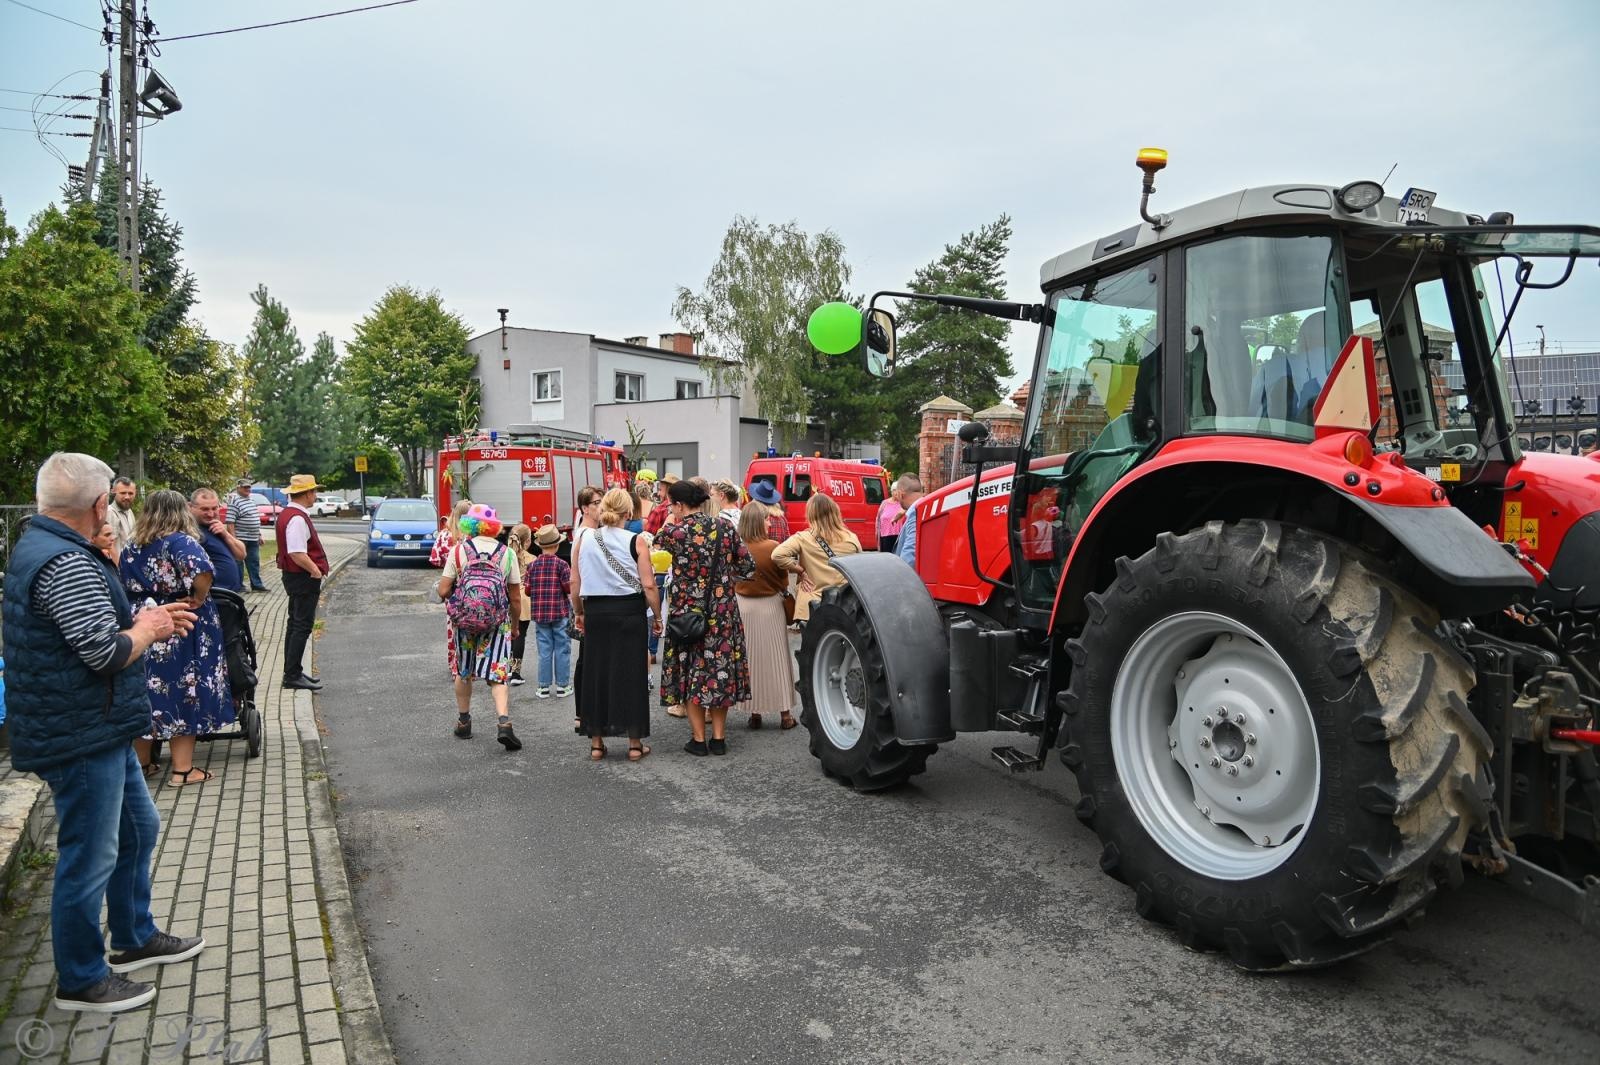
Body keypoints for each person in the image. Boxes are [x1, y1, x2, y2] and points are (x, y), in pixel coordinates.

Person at [2, 453, 204, 1013]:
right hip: (81, 731)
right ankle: (82, 979)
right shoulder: (65, 562)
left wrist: (141, 618)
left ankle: (135, 936)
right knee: (89, 856)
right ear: (98, 504)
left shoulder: (49, 546)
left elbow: (88, 630)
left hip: (98, 724)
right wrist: (149, 628)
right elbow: (103, 651)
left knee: (138, 828)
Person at [120, 489, 236, 785]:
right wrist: (198, 597)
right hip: (180, 619)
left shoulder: (132, 544)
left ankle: (143, 764)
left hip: (143, 620)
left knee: (148, 690)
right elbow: (202, 572)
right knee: (186, 689)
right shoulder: (181, 541)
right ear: (181, 511)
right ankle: (183, 770)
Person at [655, 479, 754, 756]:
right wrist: (724, 578)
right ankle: (719, 738)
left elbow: (655, 550)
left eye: (671, 505)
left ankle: (698, 740)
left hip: (687, 613)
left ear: (679, 505)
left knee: (691, 674)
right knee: (719, 672)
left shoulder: (673, 532)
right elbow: (748, 567)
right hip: (722, 612)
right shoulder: (725, 527)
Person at [571, 487, 662, 761]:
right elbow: (649, 584)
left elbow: (575, 581)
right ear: (628, 512)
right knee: (631, 675)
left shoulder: (585, 539)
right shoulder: (636, 541)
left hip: (596, 611)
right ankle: (634, 743)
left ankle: (597, 743)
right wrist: (657, 616)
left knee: (596, 674)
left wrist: (579, 612)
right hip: (629, 611)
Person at [436, 504, 524, 750]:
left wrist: (461, 598)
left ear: (468, 525)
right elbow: (515, 598)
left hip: (464, 623)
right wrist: (514, 626)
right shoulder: (507, 554)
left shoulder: (458, 552)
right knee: (498, 673)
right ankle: (504, 722)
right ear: (494, 526)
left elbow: (443, 590)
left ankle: (464, 722)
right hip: (497, 623)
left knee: (464, 671)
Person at [729, 502, 797, 730]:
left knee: (750, 661)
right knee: (777, 659)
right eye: (766, 519)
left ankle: (755, 712)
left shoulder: (737, 548)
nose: (769, 522)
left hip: (743, 607)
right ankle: (785, 714)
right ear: (759, 522)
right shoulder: (773, 547)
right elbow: (783, 580)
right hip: (770, 607)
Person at [772, 493, 862, 623]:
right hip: (842, 605)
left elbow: (777, 555)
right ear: (835, 512)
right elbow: (858, 568)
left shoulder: (803, 538)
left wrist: (800, 571)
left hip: (811, 605)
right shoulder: (851, 538)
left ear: (810, 514)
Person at [276, 474, 328, 691]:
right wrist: (315, 571)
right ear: (307, 494)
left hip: (294, 575)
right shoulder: (297, 518)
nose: (315, 496)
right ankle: (292, 674)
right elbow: (297, 552)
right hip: (302, 577)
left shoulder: (288, 514)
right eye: (314, 492)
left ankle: (293, 670)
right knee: (302, 625)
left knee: (295, 623)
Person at [569, 485, 605, 735]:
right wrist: (578, 610)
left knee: (586, 658)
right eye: (596, 503)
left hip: (588, 602)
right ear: (585, 508)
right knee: (587, 660)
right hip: (589, 602)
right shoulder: (586, 534)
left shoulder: (587, 532)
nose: (600, 507)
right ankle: (583, 713)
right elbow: (575, 578)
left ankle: (582, 713)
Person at [526, 524, 574, 697]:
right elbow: (568, 588)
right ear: (557, 546)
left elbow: (527, 590)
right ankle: (562, 686)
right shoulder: (562, 565)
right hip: (559, 612)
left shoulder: (532, 565)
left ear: (540, 546)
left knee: (544, 649)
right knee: (562, 648)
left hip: (540, 613)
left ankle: (543, 687)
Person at [189, 488, 245, 593]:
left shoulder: (216, 527)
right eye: (205, 509)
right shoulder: (191, 532)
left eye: (214, 508)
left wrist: (225, 534)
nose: (211, 514)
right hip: (213, 595)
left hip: (229, 594)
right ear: (190, 507)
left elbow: (241, 554)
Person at [224, 478, 268, 592]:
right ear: (238, 488)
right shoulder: (234, 502)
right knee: (238, 563)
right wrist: (234, 540)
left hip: (253, 538)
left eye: (249, 487)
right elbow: (230, 523)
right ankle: (239, 586)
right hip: (241, 538)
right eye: (245, 487)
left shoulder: (251, 500)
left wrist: (259, 535)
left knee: (254, 562)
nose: (247, 489)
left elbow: (255, 519)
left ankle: (256, 585)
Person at [506, 524, 535, 685]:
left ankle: (506, 668)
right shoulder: (532, 559)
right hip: (523, 598)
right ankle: (516, 672)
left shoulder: (504, 556)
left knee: (508, 634)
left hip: (506, 597)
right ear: (527, 541)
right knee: (520, 634)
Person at [894, 475, 925, 568]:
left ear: (901, 494)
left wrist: (900, 572)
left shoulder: (915, 513)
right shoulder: (924, 508)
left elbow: (910, 553)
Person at [108, 476, 137, 556]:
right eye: (123, 493)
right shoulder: (110, 513)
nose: (127, 497)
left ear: (135, 493)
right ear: (113, 492)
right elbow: (110, 547)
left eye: (130, 493)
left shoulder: (129, 511)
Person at [876, 480, 907, 555]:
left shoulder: (903, 503)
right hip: (885, 535)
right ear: (892, 491)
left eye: (899, 491)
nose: (897, 493)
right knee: (886, 557)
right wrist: (877, 533)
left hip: (899, 535)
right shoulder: (884, 503)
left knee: (898, 556)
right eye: (895, 490)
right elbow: (878, 518)